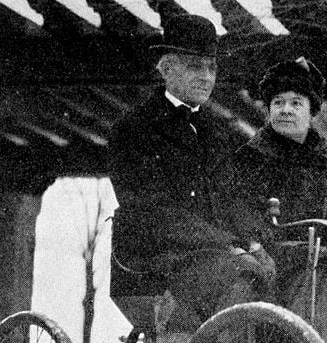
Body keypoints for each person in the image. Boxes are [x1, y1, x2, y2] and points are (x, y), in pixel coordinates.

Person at [108, 14, 274, 323]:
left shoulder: (217, 132)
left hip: (211, 256)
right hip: (156, 260)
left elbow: (231, 198)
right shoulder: (134, 129)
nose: (206, 78)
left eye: (211, 68)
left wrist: (253, 242)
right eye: (195, 67)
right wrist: (229, 247)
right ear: (167, 69)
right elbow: (154, 211)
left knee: (286, 268)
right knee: (243, 276)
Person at [216, 57, 327, 341]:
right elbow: (235, 215)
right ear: (268, 109)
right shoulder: (248, 162)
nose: (286, 110)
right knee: (313, 270)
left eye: (296, 103)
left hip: (323, 258)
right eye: (278, 102)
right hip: (270, 263)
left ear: (311, 110)